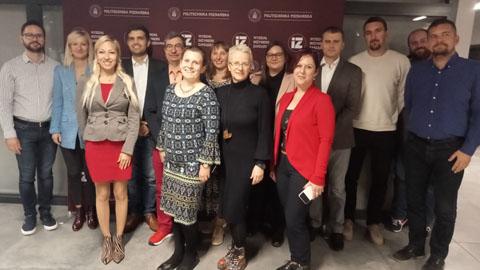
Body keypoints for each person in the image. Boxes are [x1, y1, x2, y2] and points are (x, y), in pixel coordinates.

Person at [393, 18, 480, 270]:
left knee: (444, 207)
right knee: (415, 200)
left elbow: (478, 114)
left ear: (456, 39)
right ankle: (415, 245)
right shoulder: (418, 71)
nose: (439, 39)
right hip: (417, 146)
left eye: (445, 34)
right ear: (429, 41)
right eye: (434, 36)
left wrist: (468, 150)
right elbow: (409, 104)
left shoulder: (473, 70)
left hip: (451, 150)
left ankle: (439, 254)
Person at [344, 16, 410, 245]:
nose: (374, 36)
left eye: (378, 31)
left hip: (386, 130)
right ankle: (348, 219)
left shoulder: (401, 62)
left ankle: (373, 223)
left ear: (386, 33)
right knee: (349, 178)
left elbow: (403, 97)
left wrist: (391, 118)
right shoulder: (354, 61)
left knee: (381, 179)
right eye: (369, 32)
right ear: (364, 36)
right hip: (357, 128)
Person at [155, 47, 220, 270]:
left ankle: (191, 255)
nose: (190, 65)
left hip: (193, 164)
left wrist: (205, 164)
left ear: (202, 68)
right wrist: (162, 146)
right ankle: (178, 252)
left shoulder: (207, 94)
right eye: (187, 60)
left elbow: (212, 131)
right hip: (171, 162)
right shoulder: (170, 90)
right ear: (180, 63)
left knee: (188, 213)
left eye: (195, 62)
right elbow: (165, 122)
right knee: (173, 210)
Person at [77, 35, 140, 264]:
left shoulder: (127, 81)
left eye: (111, 52)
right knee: (101, 194)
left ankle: (119, 237)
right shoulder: (86, 82)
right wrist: (88, 144)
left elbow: (134, 119)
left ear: (117, 55)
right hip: (96, 145)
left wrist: (128, 149)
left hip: (120, 146)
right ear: (97, 54)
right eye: (102, 52)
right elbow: (81, 116)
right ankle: (106, 238)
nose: (106, 56)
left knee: (121, 194)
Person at [272, 49, 335, 270]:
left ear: (315, 73)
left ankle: (301, 263)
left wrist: (318, 177)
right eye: (299, 66)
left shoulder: (322, 100)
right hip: (283, 165)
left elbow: (326, 141)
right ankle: (296, 257)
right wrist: (273, 163)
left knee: (294, 218)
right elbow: (278, 133)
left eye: (308, 67)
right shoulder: (287, 97)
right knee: (290, 215)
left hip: (304, 169)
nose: (302, 70)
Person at [216, 44, 272, 270]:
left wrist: (260, 162)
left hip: (246, 161)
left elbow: (264, 131)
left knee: (236, 206)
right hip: (224, 160)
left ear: (251, 66)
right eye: (235, 63)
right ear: (228, 65)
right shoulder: (220, 93)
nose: (239, 67)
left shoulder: (260, 95)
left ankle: (239, 251)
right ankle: (236, 245)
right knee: (228, 206)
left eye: (244, 63)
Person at [0, 20, 59, 236]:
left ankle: (45, 213)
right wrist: (9, 134)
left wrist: (57, 128)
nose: (34, 38)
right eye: (29, 35)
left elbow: (59, 101)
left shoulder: (55, 67)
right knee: (26, 176)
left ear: (44, 38)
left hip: (49, 130)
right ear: (21, 38)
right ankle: (29, 215)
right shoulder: (10, 67)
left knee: (46, 174)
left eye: (38, 35)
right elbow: (4, 103)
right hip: (22, 130)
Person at [309, 26, 362, 251]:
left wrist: (327, 131)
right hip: (312, 141)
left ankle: (337, 228)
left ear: (343, 45)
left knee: (338, 188)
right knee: (314, 184)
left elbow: (352, 107)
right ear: (321, 44)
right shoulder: (311, 69)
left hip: (340, 140)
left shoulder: (353, 71)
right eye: (327, 41)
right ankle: (314, 223)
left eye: (335, 41)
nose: (331, 45)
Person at [122, 25, 171, 243]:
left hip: (152, 129)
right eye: (131, 38)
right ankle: (134, 212)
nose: (136, 42)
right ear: (127, 42)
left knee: (152, 176)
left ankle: (150, 212)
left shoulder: (161, 67)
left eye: (140, 38)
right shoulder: (120, 67)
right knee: (130, 176)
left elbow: (163, 102)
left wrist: (149, 125)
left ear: (148, 42)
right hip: (126, 130)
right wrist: (132, 125)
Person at [50, 28, 98, 232]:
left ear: (89, 46)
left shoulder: (96, 70)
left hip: (92, 130)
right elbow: (58, 102)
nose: (79, 47)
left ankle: (92, 211)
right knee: (73, 173)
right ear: (69, 47)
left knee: (92, 173)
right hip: (67, 131)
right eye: (74, 44)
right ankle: (78, 210)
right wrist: (55, 129)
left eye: (83, 43)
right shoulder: (61, 71)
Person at [388, 28, 435, 233]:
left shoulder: (442, 67)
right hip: (406, 133)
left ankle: (425, 221)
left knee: (431, 183)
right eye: (414, 43)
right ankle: (400, 216)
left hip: (436, 139)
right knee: (402, 176)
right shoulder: (406, 66)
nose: (419, 45)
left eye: (422, 41)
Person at [250, 41, 293, 248]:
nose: (274, 58)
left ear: (285, 59)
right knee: (259, 187)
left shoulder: (293, 80)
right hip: (259, 139)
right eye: (270, 55)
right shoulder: (257, 80)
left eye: (278, 54)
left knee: (277, 188)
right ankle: (257, 223)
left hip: (283, 141)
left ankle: (278, 228)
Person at [203, 41, 231, 246]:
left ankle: (220, 224)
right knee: (207, 181)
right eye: (215, 53)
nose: (219, 57)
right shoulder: (204, 79)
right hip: (205, 137)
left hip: (226, 139)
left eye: (223, 53)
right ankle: (210, 220)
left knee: (223, 181)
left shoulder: (234, 79)